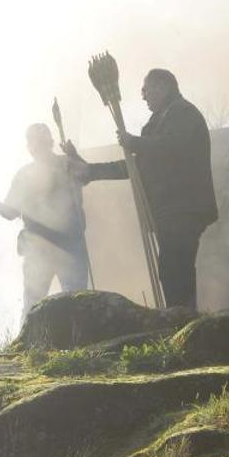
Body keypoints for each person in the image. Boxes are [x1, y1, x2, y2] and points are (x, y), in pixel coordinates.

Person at [73, 68, 218, 311]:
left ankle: (182, 321)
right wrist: (91, 171)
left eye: (146, 89)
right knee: (171, 270)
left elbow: (173, 147)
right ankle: (180, 321)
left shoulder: (184, 113)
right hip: (167, 209)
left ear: (163, 86)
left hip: (184, 206)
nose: (143, 95)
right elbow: (138, 167)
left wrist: (135, 142)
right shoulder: (157, 123)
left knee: (176, 268)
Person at [0, 123, 90, 315]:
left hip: (54, 244)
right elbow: (11, 212)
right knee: (66, 300)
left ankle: (38, 342)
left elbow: (10, 212)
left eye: (35, 141)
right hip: (53, 244)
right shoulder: (61, 165)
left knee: (42, 303)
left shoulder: (64, 164)